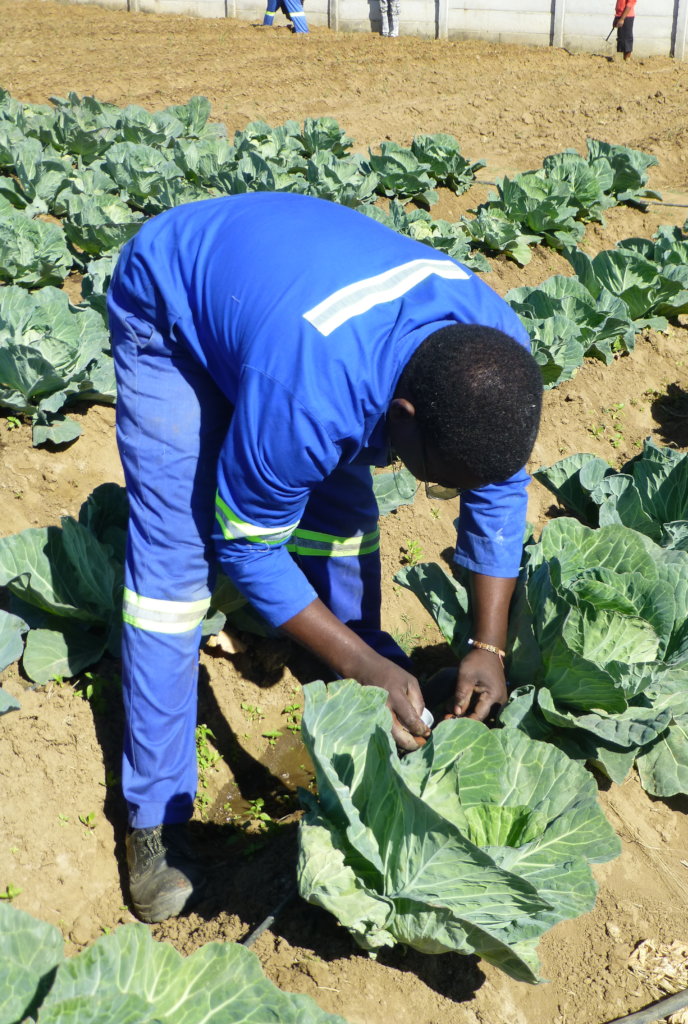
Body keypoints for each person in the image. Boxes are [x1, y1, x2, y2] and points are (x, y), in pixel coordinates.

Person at [106, 192, 543, 924]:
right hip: (174, 301)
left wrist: (487, 645)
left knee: (336, 516)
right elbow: (246, 546)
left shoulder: (493, 353)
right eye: (439, 479)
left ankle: (358, 667)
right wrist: (361, 664)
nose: (443, 490)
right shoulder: (307, 399)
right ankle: (156, 818)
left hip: (297, 312)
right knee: (174, 565)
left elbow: (499, 489)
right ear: (401, 418)